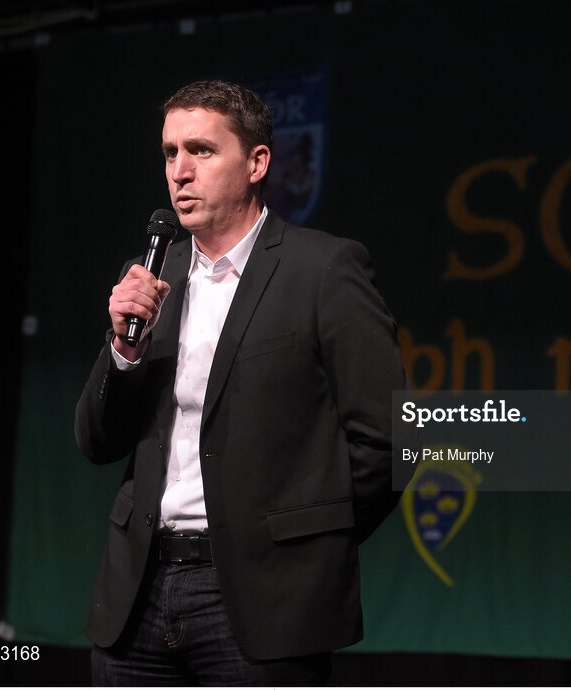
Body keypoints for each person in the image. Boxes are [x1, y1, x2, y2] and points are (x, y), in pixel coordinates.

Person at [74, 80, 406, 685]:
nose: (179, 171)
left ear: (256, 163)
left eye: (201, 150)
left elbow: (388, 441)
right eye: (170, 152)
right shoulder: (154, 279)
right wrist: (123, 350)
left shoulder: (323, 268)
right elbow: (96, 441)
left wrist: (302, 541)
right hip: (138, 595)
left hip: (262, 599)